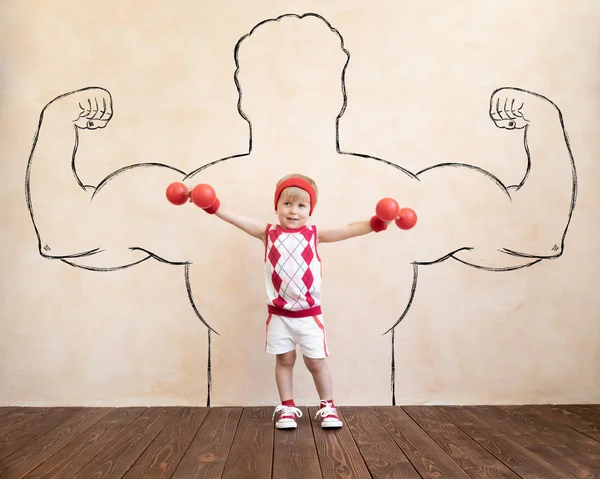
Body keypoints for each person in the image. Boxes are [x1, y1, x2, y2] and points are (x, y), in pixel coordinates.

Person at [201, 173, 392, 428]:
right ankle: (288, 408)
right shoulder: (266, 233)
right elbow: (236, 218)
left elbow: (348, 230)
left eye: (301, 205)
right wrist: (207, 202)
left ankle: (328, 406)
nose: (293, 211)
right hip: (279, 316)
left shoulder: (314, 235)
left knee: (315, 361)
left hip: (309, 316)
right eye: (287, 204)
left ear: (310, 210)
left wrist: (378, 222)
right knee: (285, 360)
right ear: (277, 206)